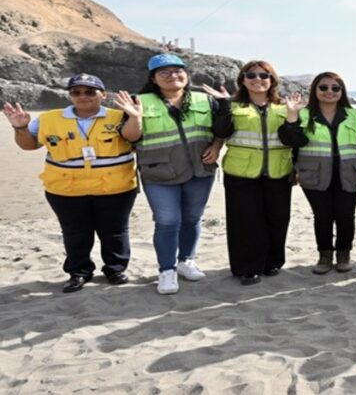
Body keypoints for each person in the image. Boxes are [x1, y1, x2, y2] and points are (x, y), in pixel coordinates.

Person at [3, 74, 137, 293]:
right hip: (66, 190)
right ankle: (79, 272)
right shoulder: (49, 119)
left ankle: (115, 269)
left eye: (90, 92)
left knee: (114, 232)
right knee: (75, 233)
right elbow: (29, 145)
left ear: (103, 95)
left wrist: (134, 117)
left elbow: (134, 138)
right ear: (70, 95)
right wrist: (20, 128)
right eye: (76, 92)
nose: (83, 96)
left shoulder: (121, 116)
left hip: (115, 188)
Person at [113, 53, 229, 295]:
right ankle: (167, 270)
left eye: (178, 71)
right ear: (153, 78)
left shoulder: (206, 100)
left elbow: (221, 129)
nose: (172, 76)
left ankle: (187, 260)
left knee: (192, 218)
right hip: (159, 173)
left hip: (200, 170)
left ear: (186, 74)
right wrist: (135, 117)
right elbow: (130, 137)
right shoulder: (139, 101)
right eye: (164, 72)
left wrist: (217, 146)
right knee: (167, 221)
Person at [208, 60, 293, 286]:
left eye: (264, 75)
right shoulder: (231, 105)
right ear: (242, 80)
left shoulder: (284, 106)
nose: (258, 79)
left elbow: (294, 139)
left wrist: (298, 167)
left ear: (272, 80)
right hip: (241, 172)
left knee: (277, 219)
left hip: (278, 170)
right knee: (245, 222)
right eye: (251, 75)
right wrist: (223, 105)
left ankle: (272, 262)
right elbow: (221, 131)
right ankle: (247, 269)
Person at [280, 72, 356, 274]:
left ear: (342, 91)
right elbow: (292, 141)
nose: (329, 91)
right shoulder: (303, 114)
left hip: (349, 173)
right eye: (323, 87)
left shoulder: (353, 115)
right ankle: (324, 256)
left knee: (345, 216)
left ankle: (343, 255)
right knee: (322, 216)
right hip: (314, 174)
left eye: (335, 88)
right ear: (315, 90)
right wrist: (292, 115)